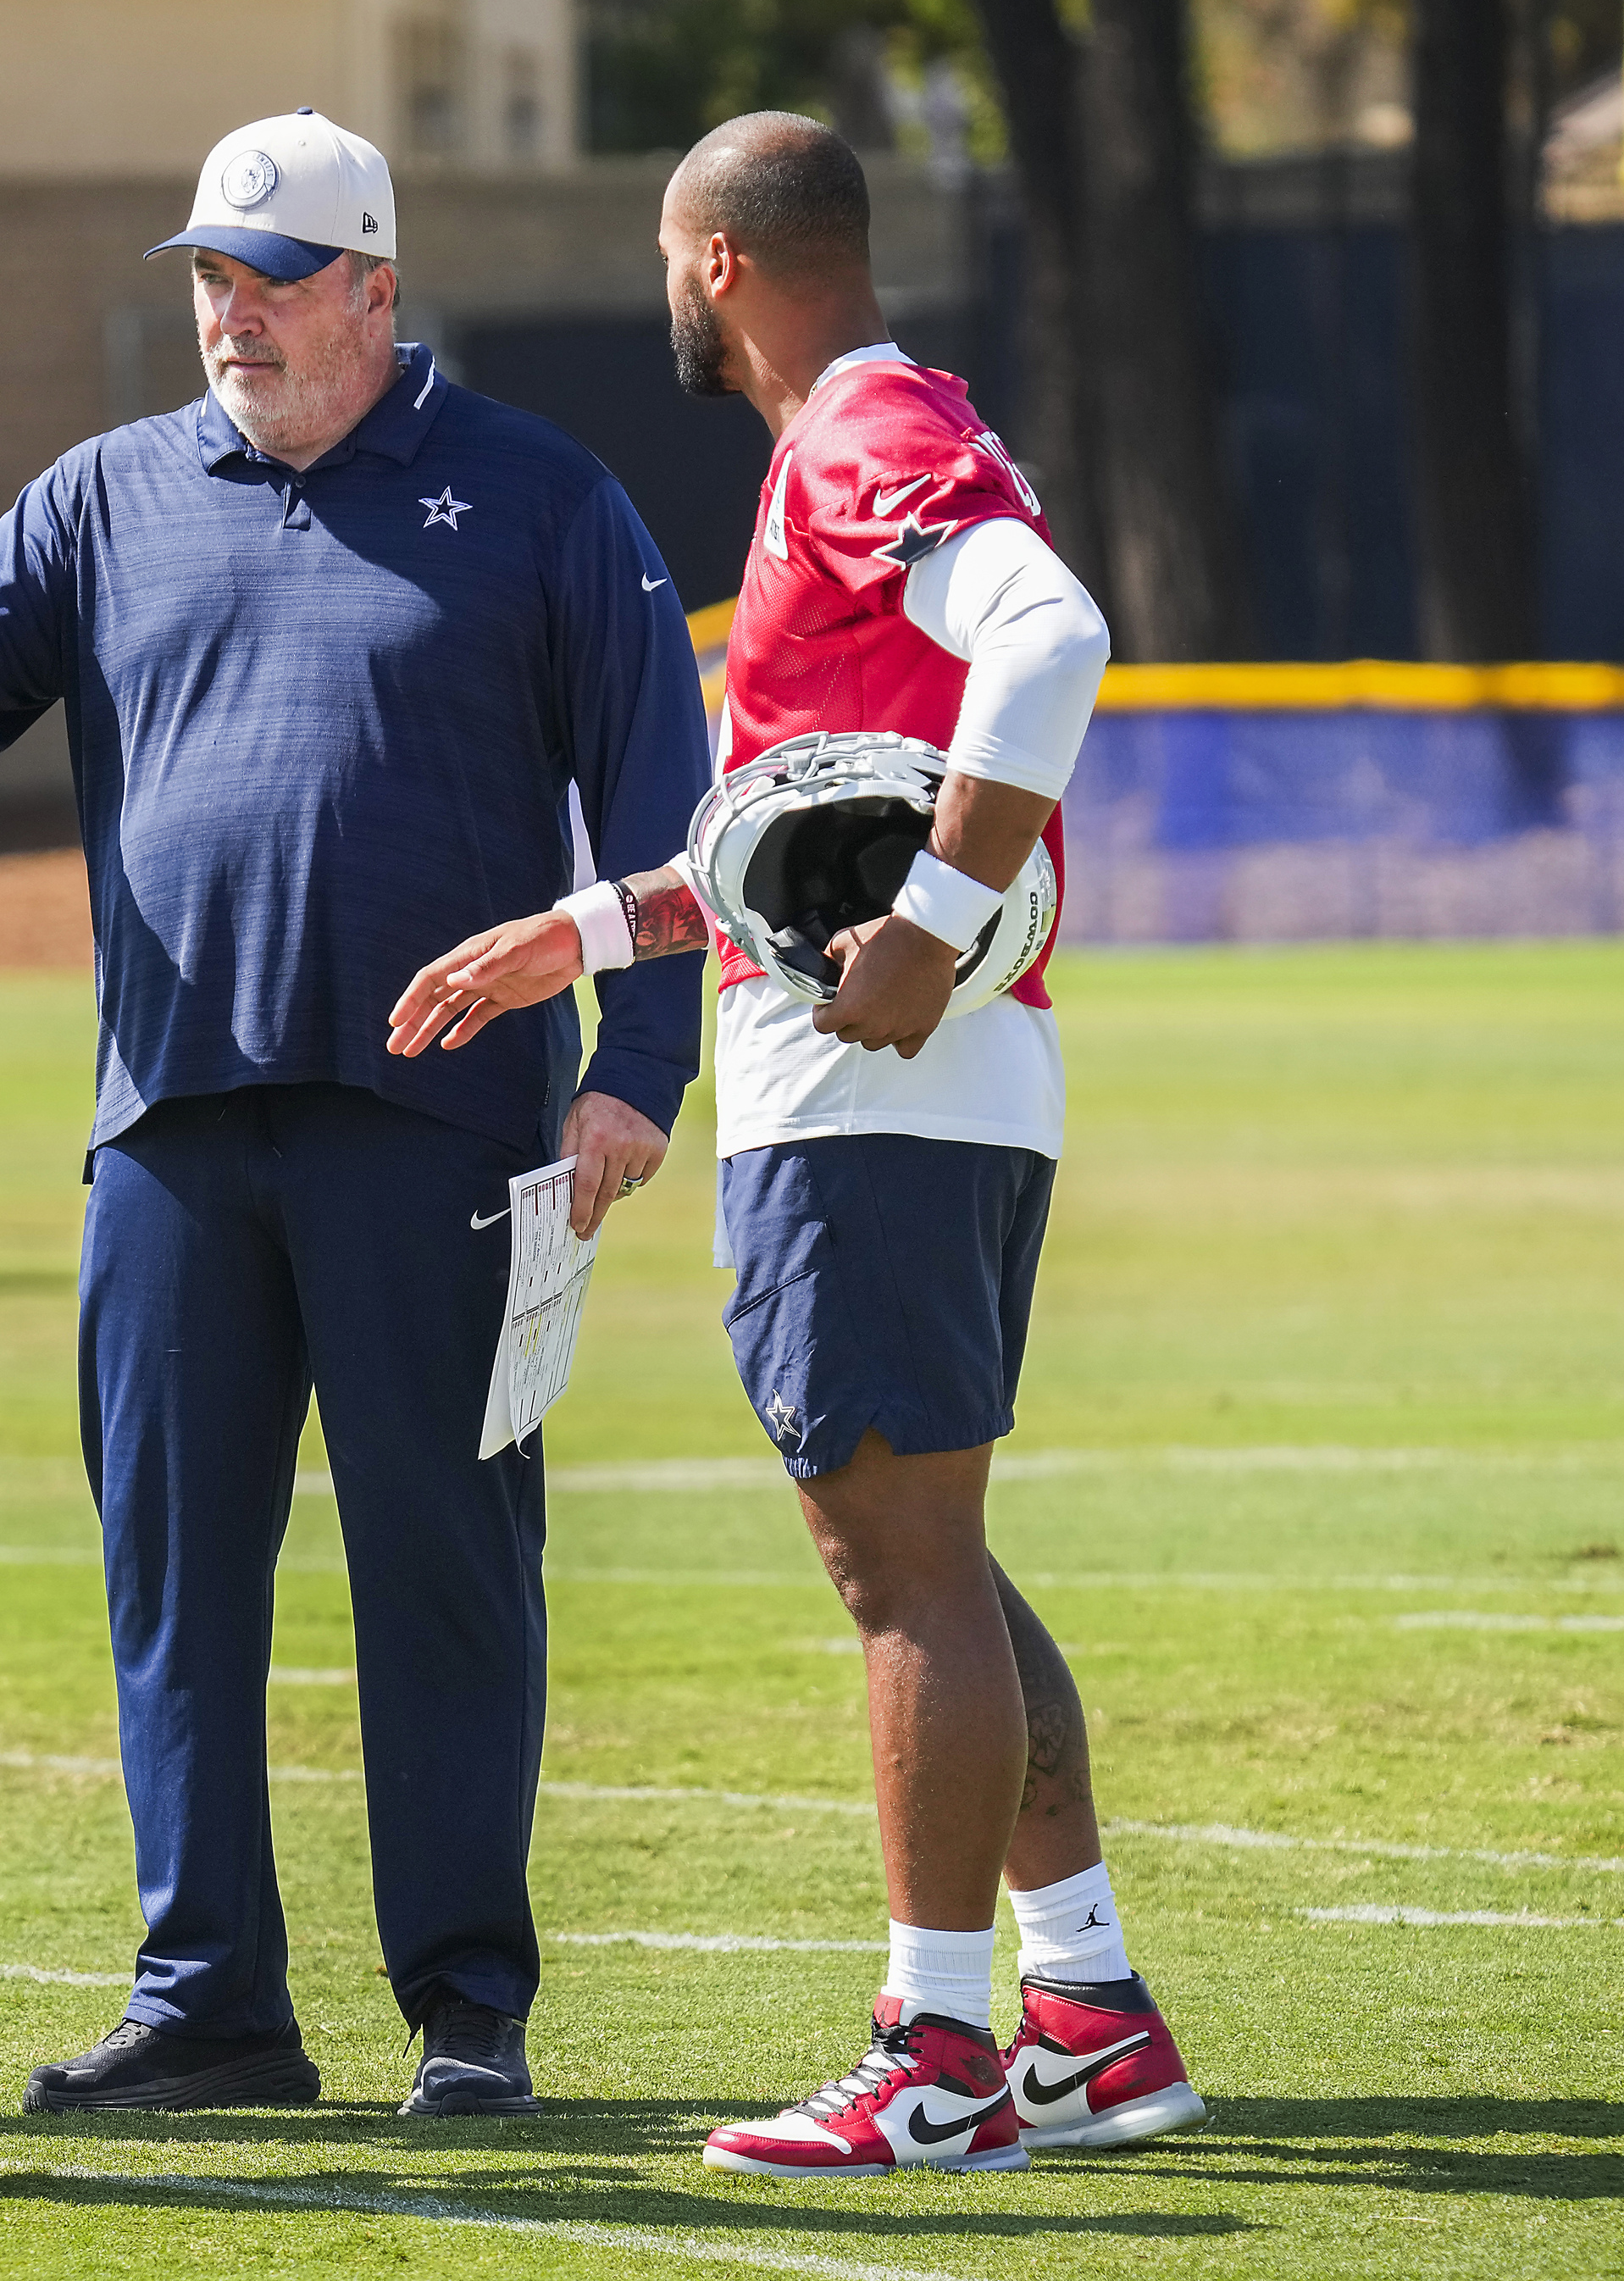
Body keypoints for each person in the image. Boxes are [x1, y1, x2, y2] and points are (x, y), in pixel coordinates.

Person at [0, 106, 711, 2119]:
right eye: (205, 280)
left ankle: (467, 2010)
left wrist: (636, 1077)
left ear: (374, 288)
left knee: (443, 1565)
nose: (230, 319)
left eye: (269, 284)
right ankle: (213, 2005)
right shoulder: (112, 491)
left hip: (443, 1126)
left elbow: (659, 812)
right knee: (172, 1576)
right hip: (173, 1124)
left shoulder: (540, 496)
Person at [389, 112, 1207, 2175]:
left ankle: (937, 2061)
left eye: (669, 259)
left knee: (897, 1563)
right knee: (930, 1553)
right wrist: (574, 934)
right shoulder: (841, 449)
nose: (667, 292)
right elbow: (782, 850)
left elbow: (1055, 635)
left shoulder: (859, 434)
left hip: (888, 1097)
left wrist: (931, 930)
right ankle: (1088, 2011)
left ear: (717, 262)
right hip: (903, 1086)